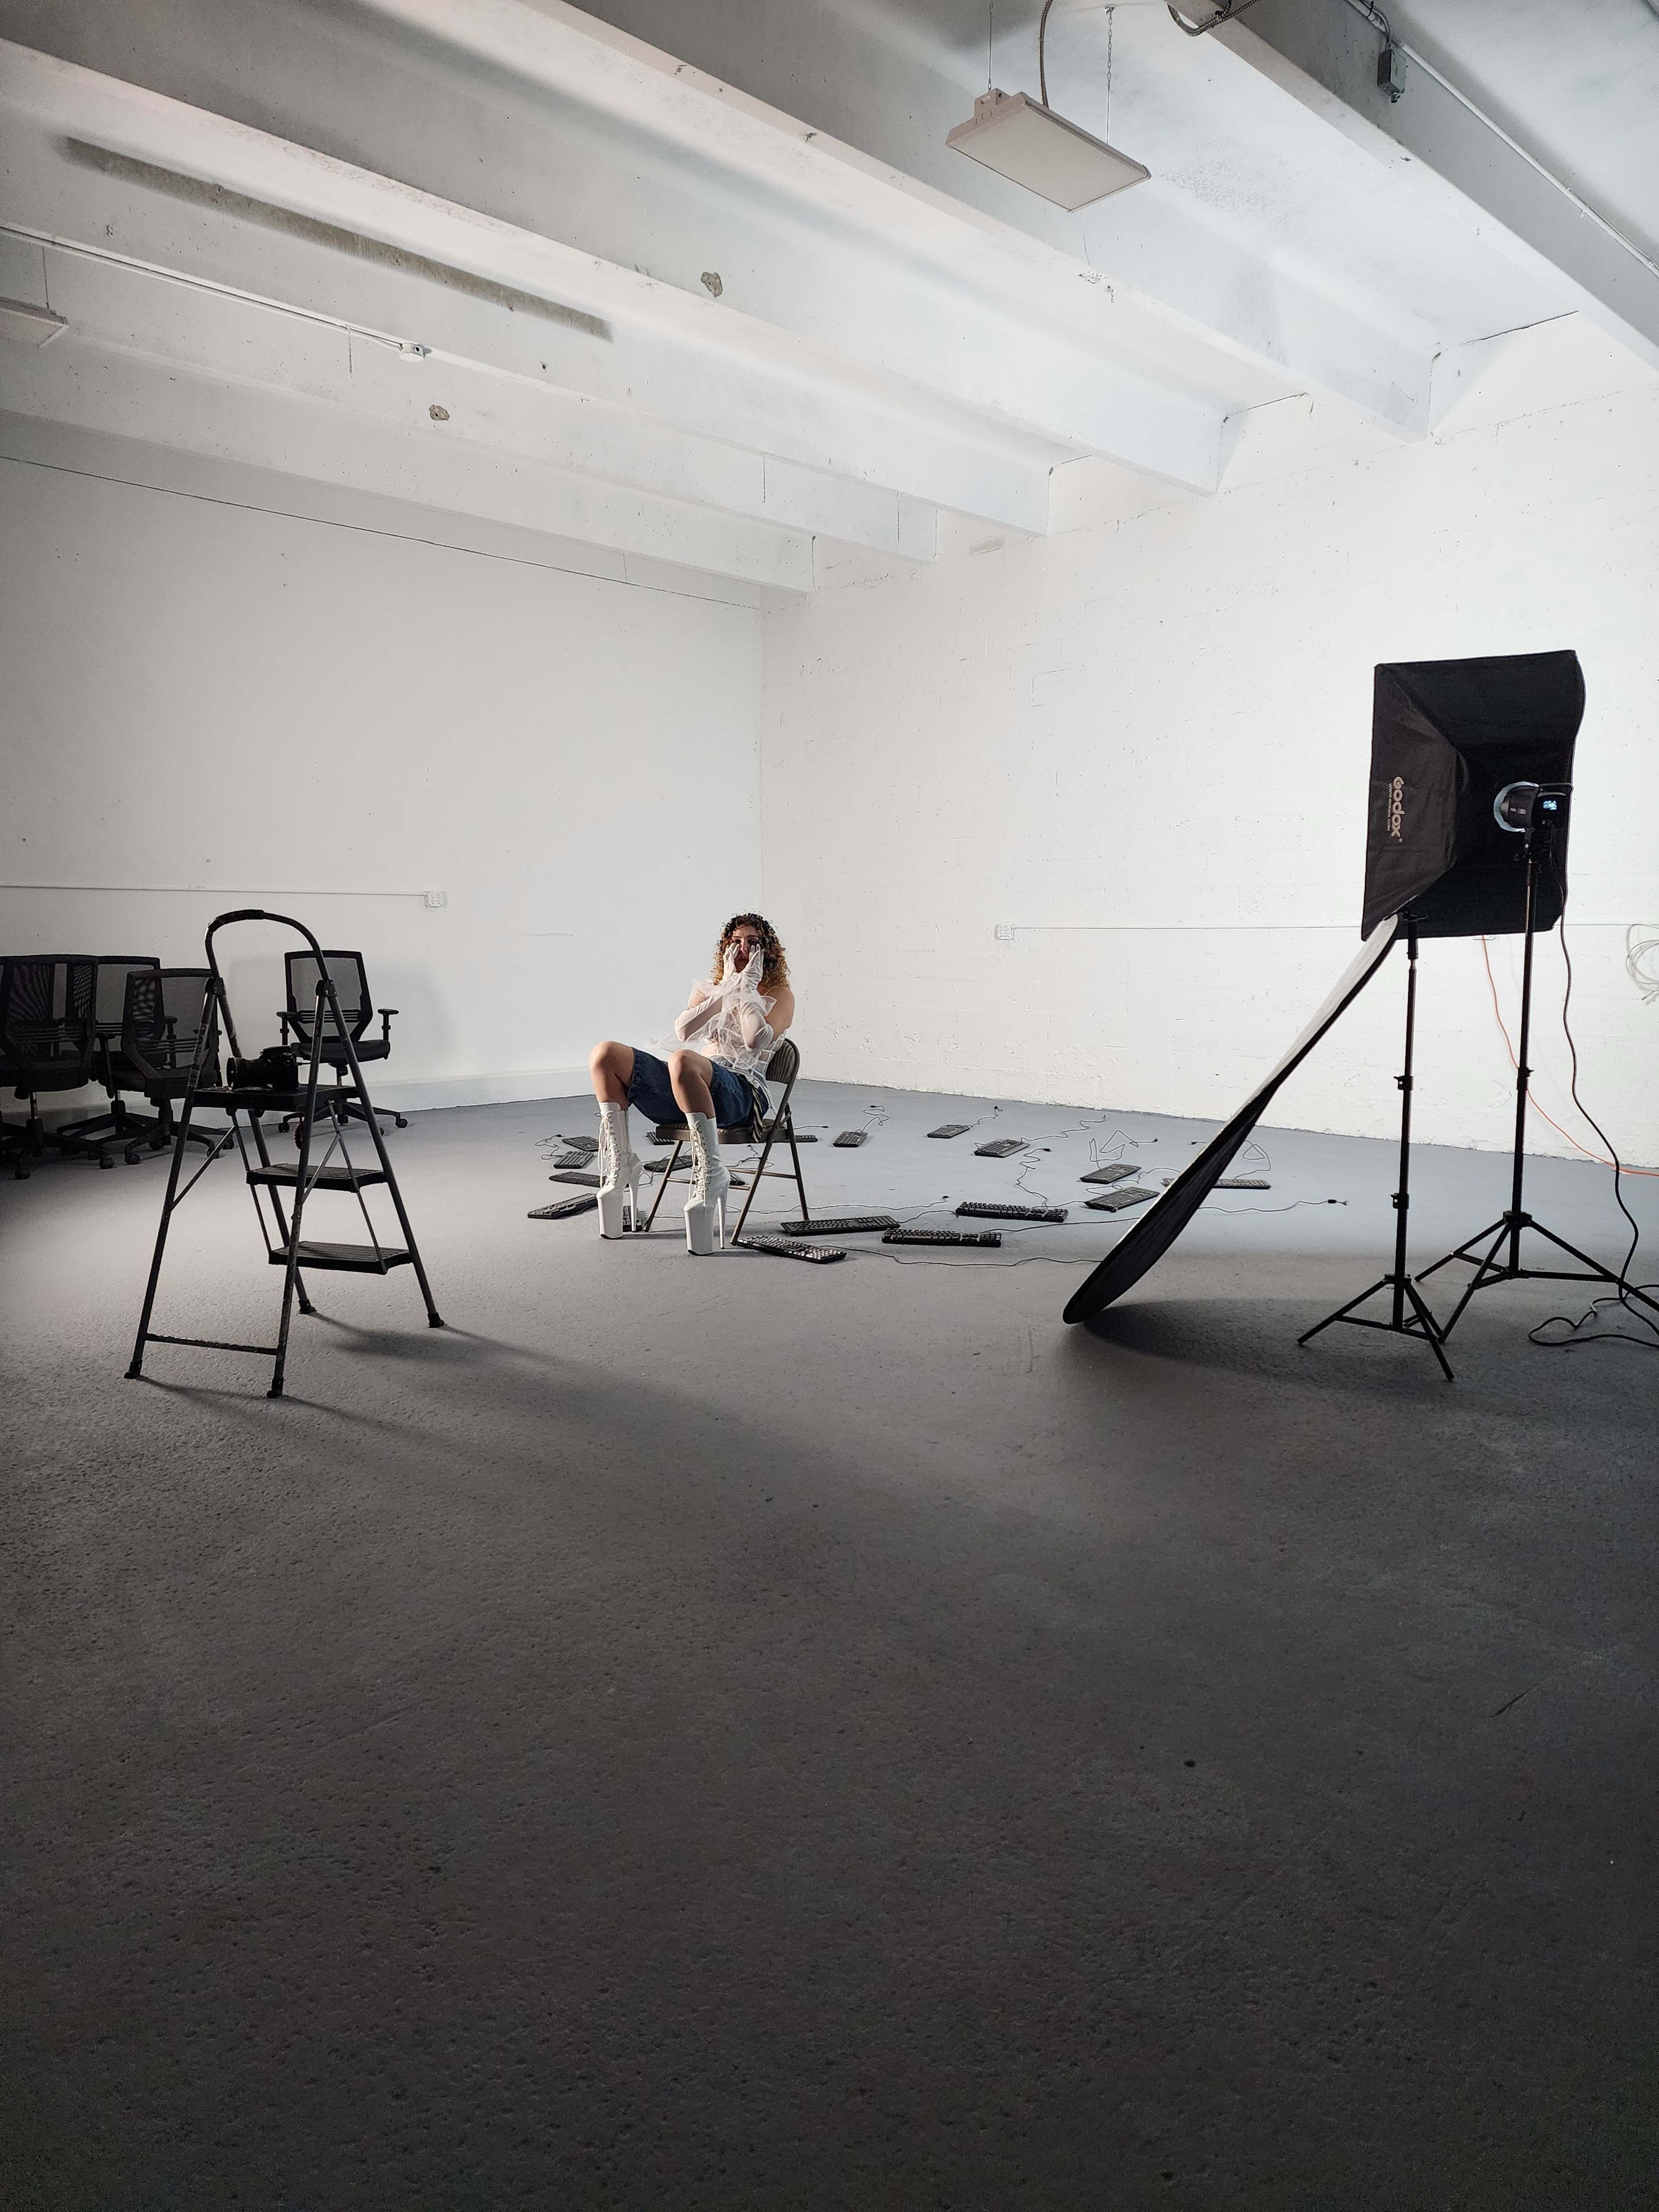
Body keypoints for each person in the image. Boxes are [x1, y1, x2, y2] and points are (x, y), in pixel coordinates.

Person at [588, 914, 795, 1253]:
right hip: (691, 1091)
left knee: (683, 1060)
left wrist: (746, 990)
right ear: (725, 949)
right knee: (606, 1054)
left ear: (767, 951)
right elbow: (684, 1031)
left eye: (753, 943)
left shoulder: (779, 994)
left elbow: (755, 1039)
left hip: (742, 1097)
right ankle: (621, 1164)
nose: (744, 949)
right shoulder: (708, 989)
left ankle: (712, 1173)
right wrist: (726, 989)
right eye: (736, 942)